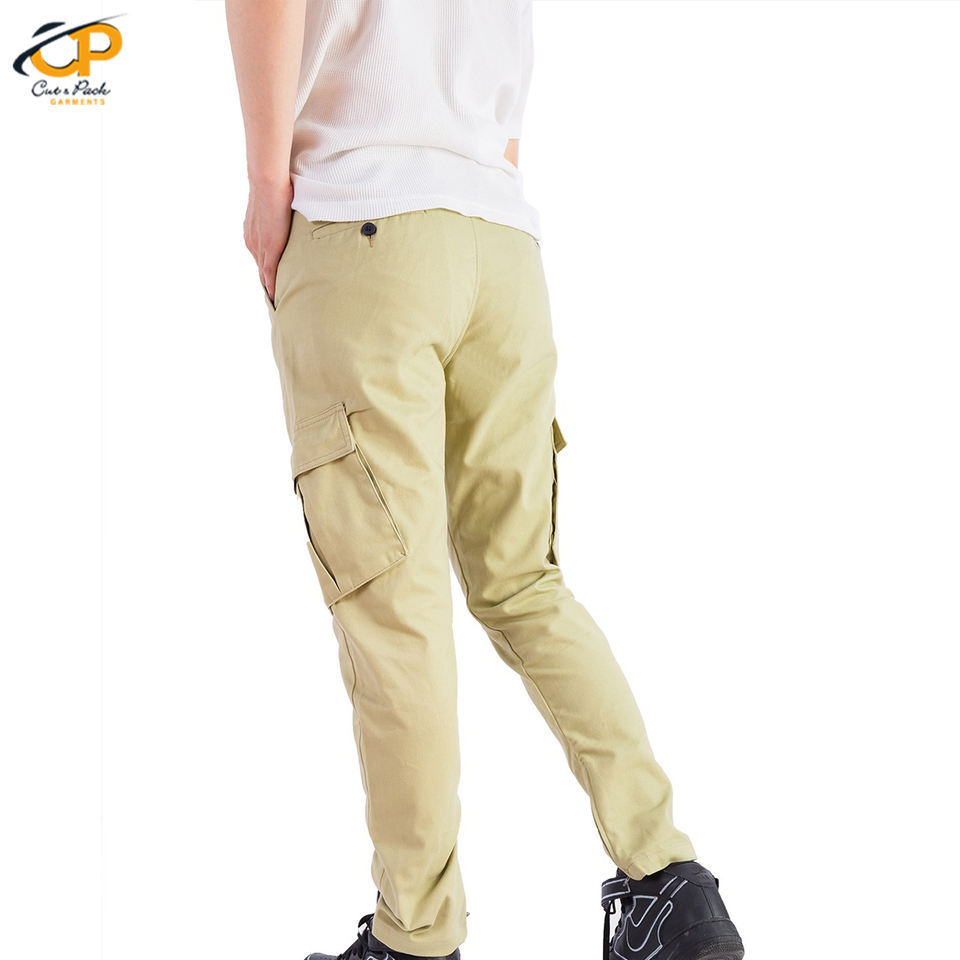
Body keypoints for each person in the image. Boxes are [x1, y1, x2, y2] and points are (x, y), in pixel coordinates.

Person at [225, 2, 745, 959]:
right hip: (501, 243)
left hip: (364, 225)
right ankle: (670, 889)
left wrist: (266, 183)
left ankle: (415, 936)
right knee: (525, 584)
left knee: (395, 611)